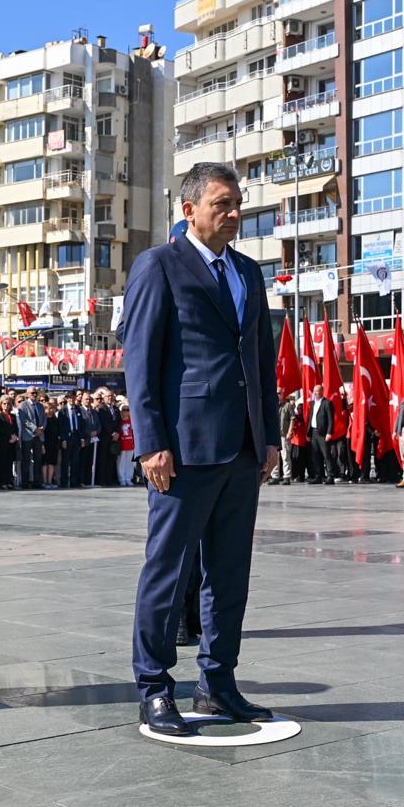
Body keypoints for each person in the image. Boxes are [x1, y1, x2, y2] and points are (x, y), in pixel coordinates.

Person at [118, 161, 280, 738]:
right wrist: (151, 444)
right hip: (182, 451)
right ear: (189, 210)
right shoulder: (158, 266)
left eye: (238, 204)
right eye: (222, 204)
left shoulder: (248, 273)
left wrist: (269, 437)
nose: (234, 214)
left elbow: (261, 363)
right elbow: (140, 360)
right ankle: (155, 687)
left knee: (230, 572)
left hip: (240, 447)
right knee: (169, 568)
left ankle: (218, 683)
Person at [308, 384, 334, 484]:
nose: (315, 393)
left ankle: (330, 476)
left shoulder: (327, 403)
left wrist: (329, 432)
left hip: (323, 434)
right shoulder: (312, 403)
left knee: (326, 455)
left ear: (322, 391)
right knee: (315, 456)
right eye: (314, 391)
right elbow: (311, 418)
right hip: (314, 433)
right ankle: (318, 476)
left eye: (317, 391)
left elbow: (331, 420)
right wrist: (308, 433)